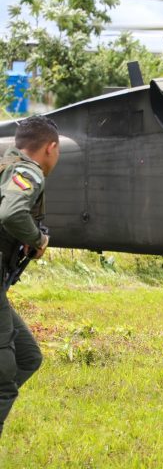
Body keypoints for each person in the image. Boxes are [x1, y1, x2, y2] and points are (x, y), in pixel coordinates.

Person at [0, 116, 60, 438]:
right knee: (3, 384)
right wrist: (37, 239)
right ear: (50, 148)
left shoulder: (4, 167)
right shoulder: (28, 171)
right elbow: (11, 213)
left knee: (27, 356)